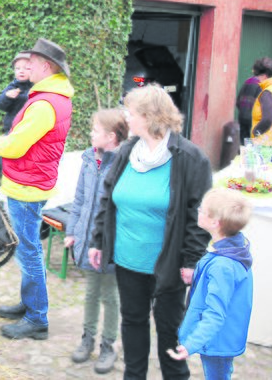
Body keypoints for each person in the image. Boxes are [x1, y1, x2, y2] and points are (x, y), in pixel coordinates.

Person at [88, 84, 212, 379]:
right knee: (132, 322)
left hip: (168, 265)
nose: (125, 118)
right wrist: (99, 241)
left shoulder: (190, 158)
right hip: (128, 259)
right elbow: (108, 199)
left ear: (150, 116)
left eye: (130, 113)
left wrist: (192, 260)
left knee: (169, 330)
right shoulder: (128, 151)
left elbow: (200, 214)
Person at [0, 38, 74, 340]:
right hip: (34, 181)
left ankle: (37, 318)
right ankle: (29, 304)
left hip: (27, 186)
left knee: (29, 253)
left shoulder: (45, 103)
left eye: (33, 62)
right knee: (28, 249)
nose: (28, 66)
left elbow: (14, 145)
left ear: (46, 67)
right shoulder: (53, 97)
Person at [64, 109, 129, 374]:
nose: (91, 134)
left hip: (110, 243)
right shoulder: (89, 159)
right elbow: (79, 198)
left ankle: (108, 345)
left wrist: (109, 243)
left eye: (95, 131)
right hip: (86, 239)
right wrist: (73, 230)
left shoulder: (124, 164)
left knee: (110, 296)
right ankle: (87, 338)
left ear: (111, 136)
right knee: (91, 293)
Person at [167, 188, 253, 380]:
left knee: (217, 376)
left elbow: (215, 313)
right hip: (221, 336)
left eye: (202, 210)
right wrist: (198, 277)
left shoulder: (223, 265)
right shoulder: (234, 246)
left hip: (218, 341)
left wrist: (190, 345)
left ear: (215, 222)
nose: (198, 210)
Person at [0, 51, 33, 133]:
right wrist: (7, 97)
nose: (21, 71)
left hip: (31, 131)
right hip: (13, 130)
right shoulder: (12, 87)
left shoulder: (37, 86)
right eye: (18, 68)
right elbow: (1, 106)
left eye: (26, 68)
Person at [250, 57, 272, 144]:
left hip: (266, 144)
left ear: (264, 76)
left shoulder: (267, 93)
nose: (257, 79)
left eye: (258, 76)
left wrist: (255, 133)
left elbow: (268, 119)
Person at [235, 72, 261, 144]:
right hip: (255, 120)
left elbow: (238, 101)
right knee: (255, 145)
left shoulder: (248, 81)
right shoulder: (264, 84)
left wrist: (243, 111)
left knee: (244, 143)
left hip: (243, 116)